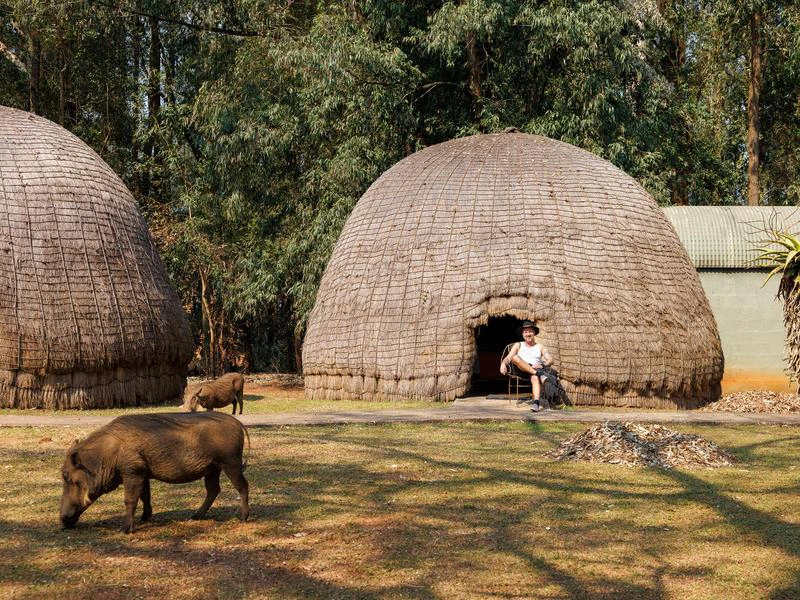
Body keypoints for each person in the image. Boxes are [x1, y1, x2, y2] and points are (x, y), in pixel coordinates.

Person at [499, 320, 553, 412]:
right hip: (520, 370)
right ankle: (540, 374)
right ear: (523, 334)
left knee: (535, 377)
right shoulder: (518, 345)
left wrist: (543, 364)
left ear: (534, 333)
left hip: (534, 370)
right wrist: (503, 364)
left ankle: (536, 403)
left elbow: (551, 360)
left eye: (530, 331)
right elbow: (508, 358)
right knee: (515, 357)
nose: (528, 334)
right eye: (526, 332)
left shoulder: (540, 346)